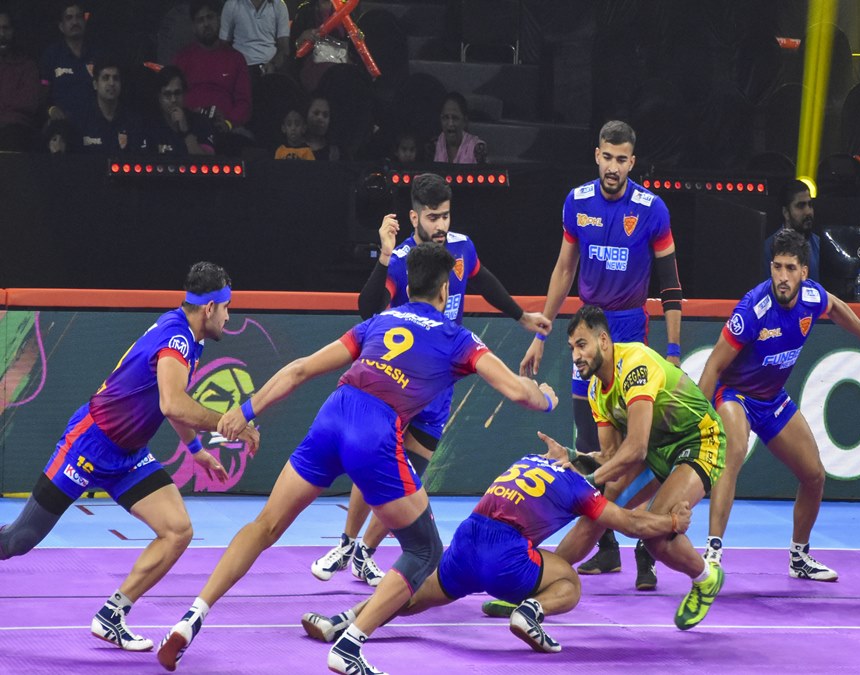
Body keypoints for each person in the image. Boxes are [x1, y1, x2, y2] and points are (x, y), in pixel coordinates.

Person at [155, 243, 558, 671]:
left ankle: (191, 617)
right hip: (374, 431)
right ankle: (349, 646)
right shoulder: (458, 338)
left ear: (408, 287)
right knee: (424, 551)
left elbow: (300, 369)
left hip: (333, 415)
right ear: (445, 291)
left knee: (265, 525)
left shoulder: (379, 322)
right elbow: (517, 391)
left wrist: (247, 410)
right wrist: (546, 398)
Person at [0, 262, 259, 651]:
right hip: (89, 446)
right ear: (209, 308)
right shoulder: (177, 340)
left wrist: (196, 450)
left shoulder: (190, 336)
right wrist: (229, 422)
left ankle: (112, 615)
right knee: (19, 540)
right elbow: (173, 404)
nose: (228, 316)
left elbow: (172, 403)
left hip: (129, 457)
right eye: (227, 308)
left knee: (177, 531)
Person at [310, 173, 551, 587]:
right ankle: (347, 543)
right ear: (414, 217)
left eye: (445, 216)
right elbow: (368, 309)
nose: (441, 225)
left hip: (439, 388)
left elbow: (483, 279)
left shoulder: (461, 247)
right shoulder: (403, 259)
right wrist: (384, 256)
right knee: (378, 464)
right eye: (432, 217)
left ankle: (365, 552)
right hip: (399, 385)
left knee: (410, 476)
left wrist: (520, 315)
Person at [299, 443, 692, 673]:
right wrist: (672, 521)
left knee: (411, 596)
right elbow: (630, 523)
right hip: (506, 557)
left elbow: (564, 467)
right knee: (569, 581)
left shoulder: (530, 459)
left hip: (466, 540)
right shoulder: (583, 489)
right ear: (592, 477)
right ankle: (531, 612)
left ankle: (341, 622)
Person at [520, 120, 684, 589]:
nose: (613, 167)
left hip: (630, 331)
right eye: (607, 157)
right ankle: (607, 547)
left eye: (621, 159)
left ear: (633, 162)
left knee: (636, 449)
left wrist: (673, 351)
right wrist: (541, 333)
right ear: (597, 156)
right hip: (586, 331)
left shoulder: (652, 209)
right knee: (593, 443)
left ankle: (646, 551)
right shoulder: (577, 202)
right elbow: (564, 269)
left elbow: (670, 284)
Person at [490, 305, 725, 630]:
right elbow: (612, 455)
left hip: (698, 439)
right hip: (656, 449)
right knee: (595, 514)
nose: (576, 356)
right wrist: (573, 456)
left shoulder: (635, 365)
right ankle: (532, 585)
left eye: (582, 345)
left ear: (603, 340)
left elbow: (636, 448)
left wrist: (588, 479)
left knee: (656, 537)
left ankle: (706, 577)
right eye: (572, 348)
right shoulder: (596, 390)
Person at [697, 228, 860, 578]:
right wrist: (697, 419)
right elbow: (714, 365)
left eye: (790, 268)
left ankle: (799, 557)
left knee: (814, 475)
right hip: (736, 394)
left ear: (804, 271)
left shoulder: (812, 297)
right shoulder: (753, 309)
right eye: (777, 267)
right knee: (734, 453)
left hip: (772, 399)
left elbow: (836, 307)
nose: (783, 277)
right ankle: (712, 553)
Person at [173, 0, 252, 140]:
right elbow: (173, 97)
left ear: (219, 20)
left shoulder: (236, 58)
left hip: (227, 130)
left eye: (210, 17)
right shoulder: (182, 58)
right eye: (200, 20)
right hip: (190, 127)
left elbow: (244, 103)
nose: (206, 24)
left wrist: (228, 123)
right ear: (193, 27)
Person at [40, 1, 97, 124]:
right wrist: (51, 109)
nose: (75, 22)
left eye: (79, 17)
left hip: (94, 123)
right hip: (62, 123)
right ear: (61, 26)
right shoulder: (51, 55)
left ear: (84, 22)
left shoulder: (97, 54)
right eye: (69, 18)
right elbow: (42, 92)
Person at [74, 57, 142, 155]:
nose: (111, 83)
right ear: (95, 84)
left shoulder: (133, 120)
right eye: (106, 78)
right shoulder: (80, 120)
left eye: (116, 78)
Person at [143, 66, 215, 156]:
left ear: (184, 94)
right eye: (167, 94)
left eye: (177, 93)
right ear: (159, 97)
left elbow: (207, 162)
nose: (173, 99)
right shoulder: (149, 125)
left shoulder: (200, 121)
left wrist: (185, 131)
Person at [763, 179, 820, 281]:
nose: (808, 211)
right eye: (801, 206)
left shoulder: (819, 244)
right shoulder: (768, 249)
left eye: (810, 205)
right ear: (786, 212)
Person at [0, 7, 39, 151]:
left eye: (5, 28)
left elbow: (29, 104)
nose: (1, 34)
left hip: (15, 131)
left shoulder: (27, 65)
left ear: (13, 31)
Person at [219, 0, 290, 79]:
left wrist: (273, 65)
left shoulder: (279, 5)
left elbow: (284, 48)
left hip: (270, 66)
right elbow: (223, 44)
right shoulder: (232, 4)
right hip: (240, 66)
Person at [431, 92, 486, 164]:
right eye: (446, 117)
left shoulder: (478, 148)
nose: (450, 124)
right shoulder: (433, 146)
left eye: (455, 118)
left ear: (465, 121)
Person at [305, 95, 340, 161]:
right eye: (316, 113)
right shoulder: (292, 148)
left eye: (325, 115)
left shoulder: (335, 153)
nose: (320, 118)